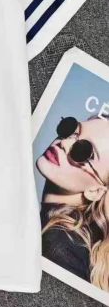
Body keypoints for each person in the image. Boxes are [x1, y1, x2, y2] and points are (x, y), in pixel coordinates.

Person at [36, 115, 109, 290]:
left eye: (83, 151)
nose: (65, 143)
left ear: (95, 191)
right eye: (71, 129)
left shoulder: (60, 247)